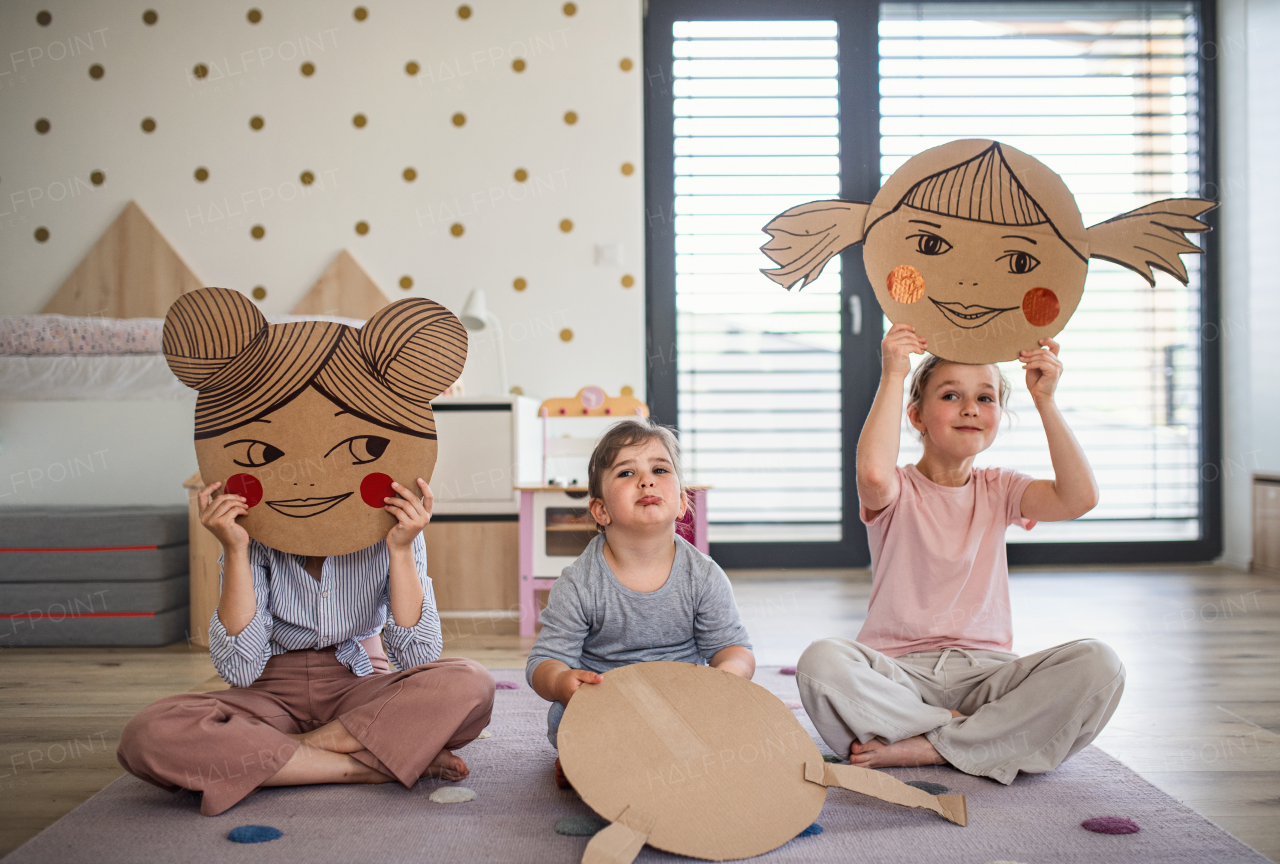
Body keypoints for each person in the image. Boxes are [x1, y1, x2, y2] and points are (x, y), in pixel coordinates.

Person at [117, 288, 494, 815]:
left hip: (359, 681)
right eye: (264, 451)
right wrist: (237, 550)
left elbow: (417, 657)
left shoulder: (388, 524)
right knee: (148, 735)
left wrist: (403, 550)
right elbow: (241, 670)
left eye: (358, 449)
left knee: (470, 686)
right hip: (269, 691)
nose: (315, 479)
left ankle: (284, 762)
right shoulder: (253, 530)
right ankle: (362, 765)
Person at [795, 324, 1124, 784]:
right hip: (898, 677)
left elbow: (1079, 497)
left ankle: (928, 745)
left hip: (989, 678)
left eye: (986, 398)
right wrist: (893, 374)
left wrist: (1045, 400)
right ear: (916, 415)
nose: (970, 408)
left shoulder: (1002, 487)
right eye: (951, 396)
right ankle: (974, 737)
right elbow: (872, 474)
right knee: (821, 663)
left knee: (1100, 665)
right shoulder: (897, 488)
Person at [526, 418, 754, 785]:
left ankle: (614, 763)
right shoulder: (579, 583)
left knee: (739, 715)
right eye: (626, 473)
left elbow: (733, 649)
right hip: (609, 706)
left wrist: (726, 678)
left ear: (681, 502)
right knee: (564, 716)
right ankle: (600, 758)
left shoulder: (704, 576)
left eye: (659, 469)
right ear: (601, 511)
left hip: (684, 706)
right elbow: (543, 661)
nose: (646, 480)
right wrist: (562, 681)